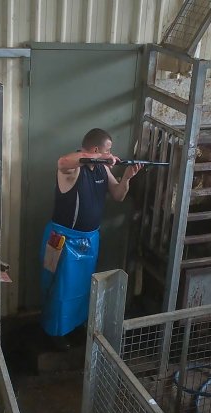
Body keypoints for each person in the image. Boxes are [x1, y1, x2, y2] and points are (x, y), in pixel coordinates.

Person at [40, 128, 142, 349]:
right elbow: (62, 161)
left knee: (82, 289)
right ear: (96, 150)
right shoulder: (72, 168)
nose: (111, 154)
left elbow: (118, 195)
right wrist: (103, 158)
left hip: (89, 240)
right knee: (60, 288)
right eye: (108, 150)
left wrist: (126, 177)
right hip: (63, 239)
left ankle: (74, 327)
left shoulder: (103, 171)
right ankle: (53, 334)